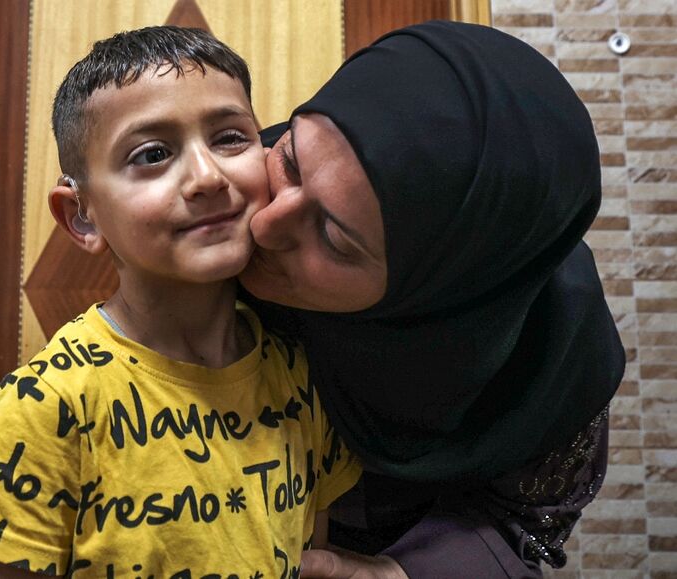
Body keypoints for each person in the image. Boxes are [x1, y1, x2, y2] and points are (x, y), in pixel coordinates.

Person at [0, 26, 360, 578]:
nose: (207, 177)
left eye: (230, 138)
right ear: (83, 216)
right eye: (153, 153)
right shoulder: (49, 405)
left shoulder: (299, 373)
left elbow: (310, 560)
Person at [238, 21, 626, 578]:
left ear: (437, 292)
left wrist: (402, 573)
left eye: (334, 238)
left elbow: (526, 521)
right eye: (292, 162)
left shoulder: (553, 358)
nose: (266, 224)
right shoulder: (221, 201)